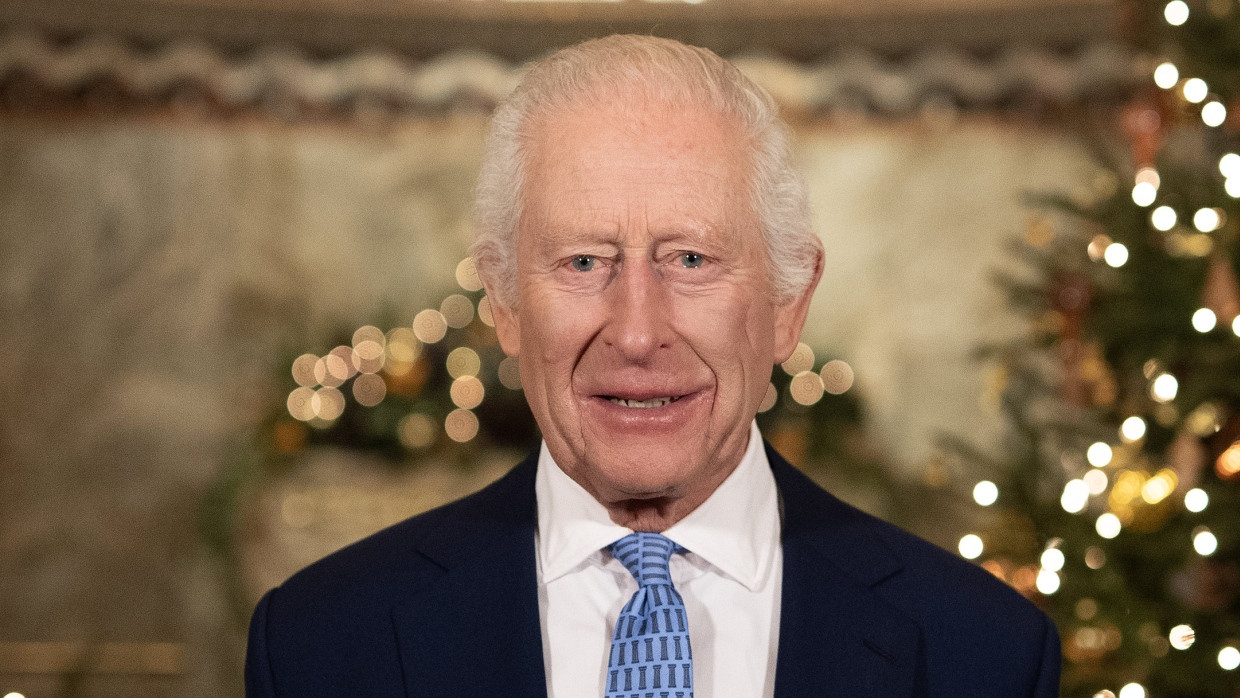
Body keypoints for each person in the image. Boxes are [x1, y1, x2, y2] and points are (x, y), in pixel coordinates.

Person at [245, 34, 1060, 697]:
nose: (637, 333)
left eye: (693, 259)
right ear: (502, 301)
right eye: (584, 263)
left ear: (787, 304)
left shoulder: (980, 654)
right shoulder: (323, 643)